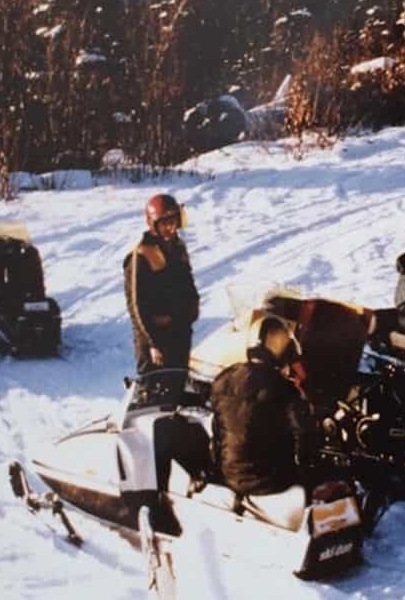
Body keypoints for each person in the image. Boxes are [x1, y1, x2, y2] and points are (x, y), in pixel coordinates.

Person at [210, 315, 316, 496]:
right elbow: (305, 439)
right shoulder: (284, 389)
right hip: (271, 483)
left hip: (228, 476)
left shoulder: (223, 380)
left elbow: (218, 427)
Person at [123, 194, 199, 375]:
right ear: (154, 225)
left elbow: (188, 283)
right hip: (155, 338)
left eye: (174, 222)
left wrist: (191, 311)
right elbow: (136, 306)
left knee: (178, 383)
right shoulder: (141, 255)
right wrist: (152, 344)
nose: (171, 229)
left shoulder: (178, 247)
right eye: (165, 224)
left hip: (179, 331)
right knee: (154, 391)